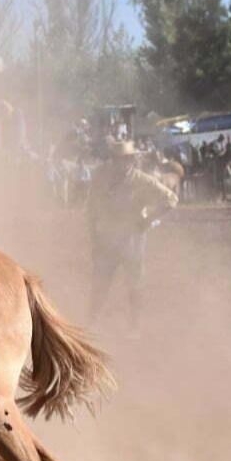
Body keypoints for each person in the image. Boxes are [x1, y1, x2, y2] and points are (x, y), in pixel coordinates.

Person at [87, 140, 178, 333]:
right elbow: (91, 208)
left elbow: (171, 199)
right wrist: (94, 236)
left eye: (124, 159)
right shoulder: (101, 179)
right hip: (106, 240)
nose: (119, 163)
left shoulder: (142, 180)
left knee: (134, 286)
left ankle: (134, 327)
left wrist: (149, 219)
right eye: (116, 159)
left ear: (131, 160)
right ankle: (93, 323)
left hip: (132, 241)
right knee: (100, 285)